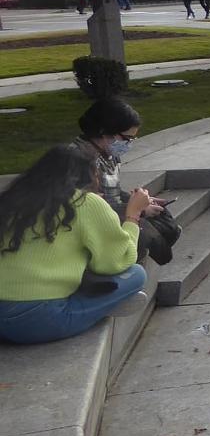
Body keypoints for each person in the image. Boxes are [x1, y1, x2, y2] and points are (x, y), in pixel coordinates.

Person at [0, 144, 151, 344]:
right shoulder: (85, 203)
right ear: (89, 176)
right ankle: (102, 306)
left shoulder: (12, 200)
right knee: (137, 274)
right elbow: (115, 262)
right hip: (36, 320)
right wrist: (133, 215)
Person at [76, 98, 180, 264]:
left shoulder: (107, 154)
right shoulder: (80, 160)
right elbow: (89, 210)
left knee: (168, 227)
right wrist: (139, 210)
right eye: (126, 138)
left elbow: (112, 192)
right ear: (103, 131)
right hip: (92, 227)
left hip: (113, 214)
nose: (128, 144)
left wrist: (139, 200)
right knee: (154, 241)